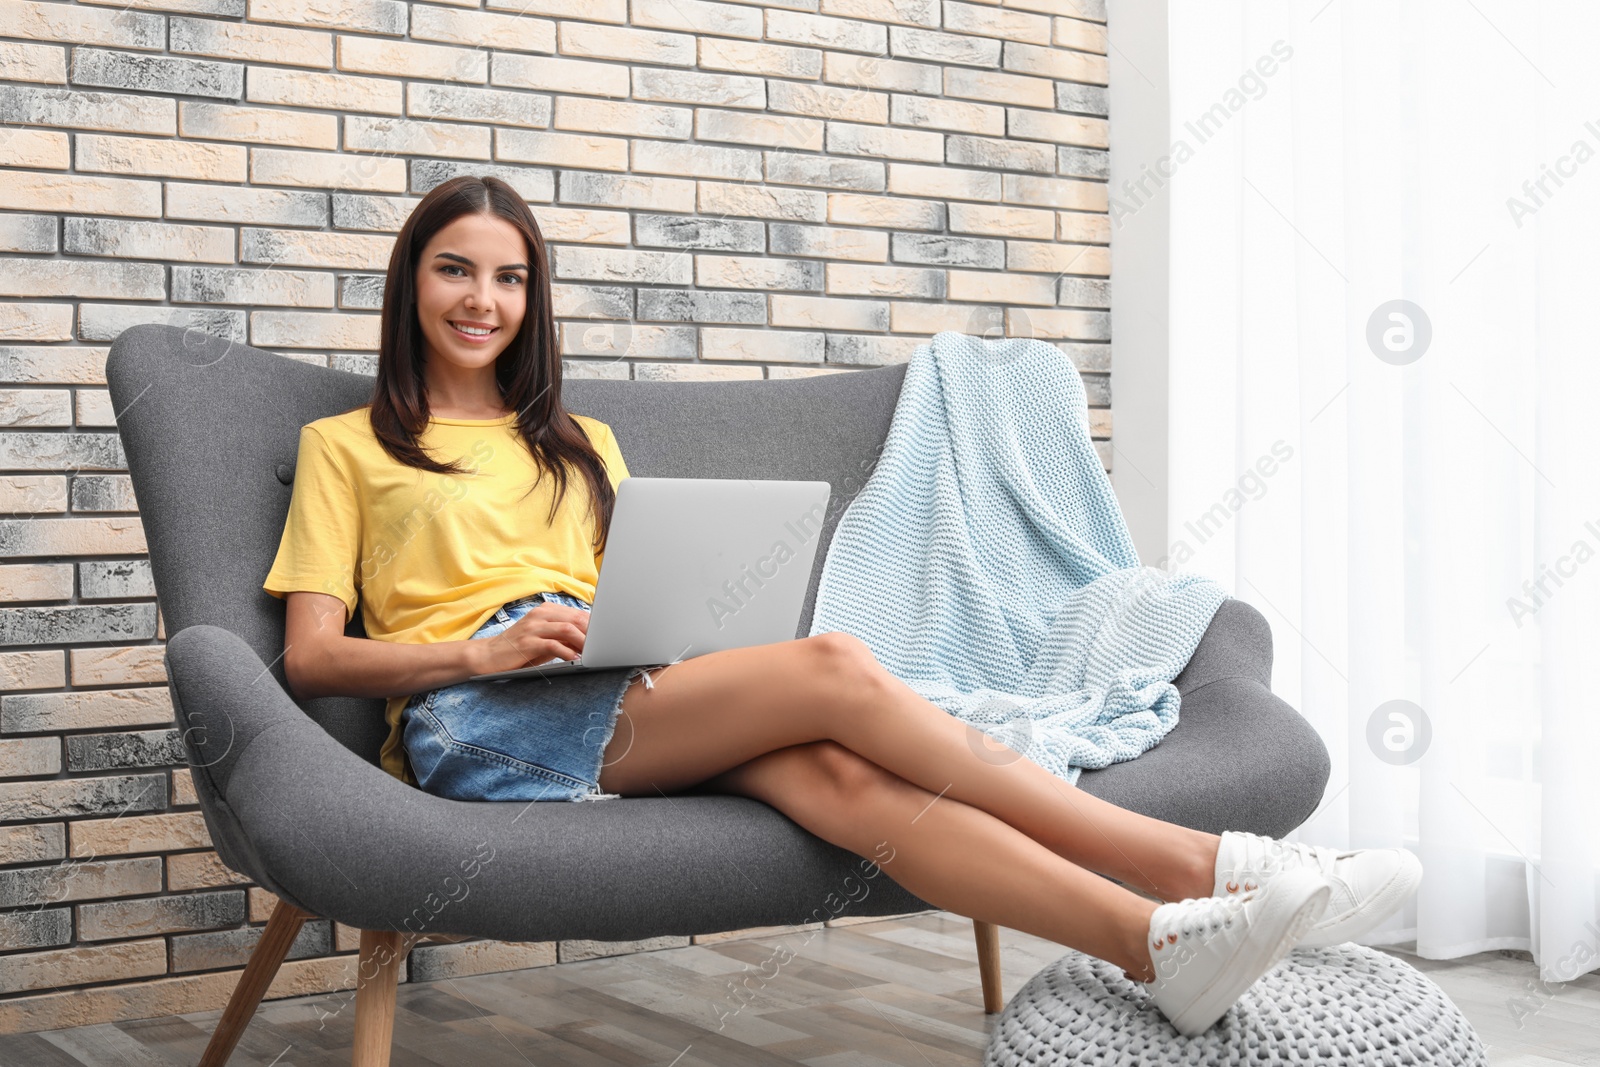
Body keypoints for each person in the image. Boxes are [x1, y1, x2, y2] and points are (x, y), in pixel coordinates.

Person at [261, 175, 1421, 1037]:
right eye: (455, 268)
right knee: (835, 668)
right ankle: (1202, 865)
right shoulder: (347, 446)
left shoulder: (579, 442)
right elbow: (312, 659)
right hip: (480, 713)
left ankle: (1150, 948)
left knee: (846, 780)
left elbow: (625, 605)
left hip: (613, 683)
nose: (483, 298)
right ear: (411, 281)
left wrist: (668, 621)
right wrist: (490, 643)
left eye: (509, 275)